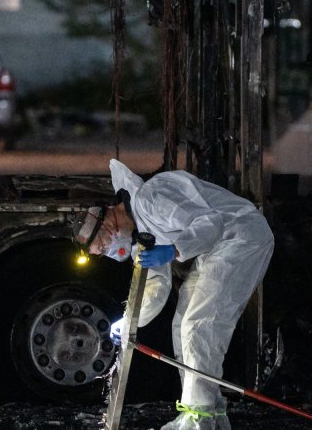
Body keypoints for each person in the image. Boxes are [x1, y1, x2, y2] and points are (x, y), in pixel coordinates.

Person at [73, 159, 274, 430]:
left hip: (240, 236)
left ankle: (199, 419)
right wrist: (129, 321)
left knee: (199, 325)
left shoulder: (152, 199)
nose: (109, 252)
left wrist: (174, 249)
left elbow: (210, 223)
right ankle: (208, 414)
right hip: (217, 247)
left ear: (108, 225)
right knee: (182, 324)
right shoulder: (140, 234)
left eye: (103, 247)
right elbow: (156, 288)